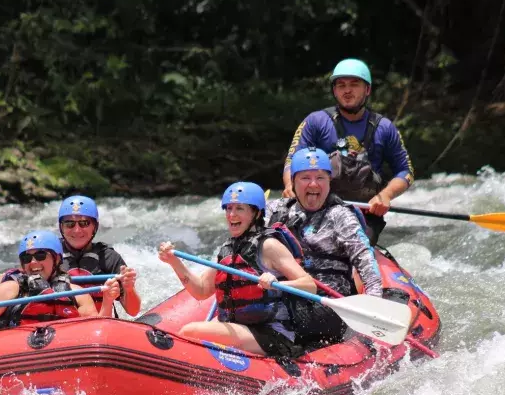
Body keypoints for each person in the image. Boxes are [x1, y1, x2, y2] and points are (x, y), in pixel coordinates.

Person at [158, 182, 317, 358]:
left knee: (190, 331)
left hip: (270, 333)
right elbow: (202, 290)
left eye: (240, 209)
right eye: (229, 208)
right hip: (240, 327)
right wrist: (174, 262)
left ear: (256, 213)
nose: (232, 215)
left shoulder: (269, 246)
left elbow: (309, 285)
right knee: (194, 333)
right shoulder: (227, 248)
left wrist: (276, 284)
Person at [282, 58, 414, 245]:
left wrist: (386, 195)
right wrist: (289, 185)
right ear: (334, 91)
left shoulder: (385, 128)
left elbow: (406, 171)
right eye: (341, 85)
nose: (347, 90)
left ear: (367, 90)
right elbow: (292, 161)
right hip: (317, 208)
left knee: (352, 246)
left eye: (354, 84)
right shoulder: (315, 122)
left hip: (363, 214)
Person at [267, 147, 383, 346]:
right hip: (282, 296)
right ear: (293, 183)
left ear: (329, 182)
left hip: (326, 307)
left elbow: (366, 261)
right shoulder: (276, 211)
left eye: (320, 178)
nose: (313, 184)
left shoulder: (340, 216)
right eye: (305, 178)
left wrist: (374, 304)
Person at [0, 230, 120, 329]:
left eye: (40, 255)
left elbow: (96, 328)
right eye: (27, 257)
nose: (33, 262)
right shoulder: (10, 289)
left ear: (57, 259)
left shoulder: (76, 293)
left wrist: (107, 301)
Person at [58, 195, 141, 316]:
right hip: (60, 328)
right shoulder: (47, 256)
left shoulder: (108, 257)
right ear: (61, 227)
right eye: (69, 223)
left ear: (94, 227)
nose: (76, 230)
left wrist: (129, 289)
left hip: (99, 327)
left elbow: (133, 311)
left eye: (84, 223)